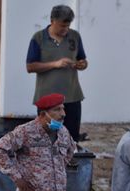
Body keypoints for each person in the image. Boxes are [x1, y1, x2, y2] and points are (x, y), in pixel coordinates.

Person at [26, 5, 88, 142]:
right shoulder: (38, 38)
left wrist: (82, 64)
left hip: (72, 97)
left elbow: (83, 59)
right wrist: (55, 64)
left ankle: (69, 162)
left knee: (71, 138)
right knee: (47, 138)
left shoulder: (75, 36)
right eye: (61, 26)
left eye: (67, 26)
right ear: (52, 20)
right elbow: (30, 66)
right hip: (47, 99)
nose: (65, 30)